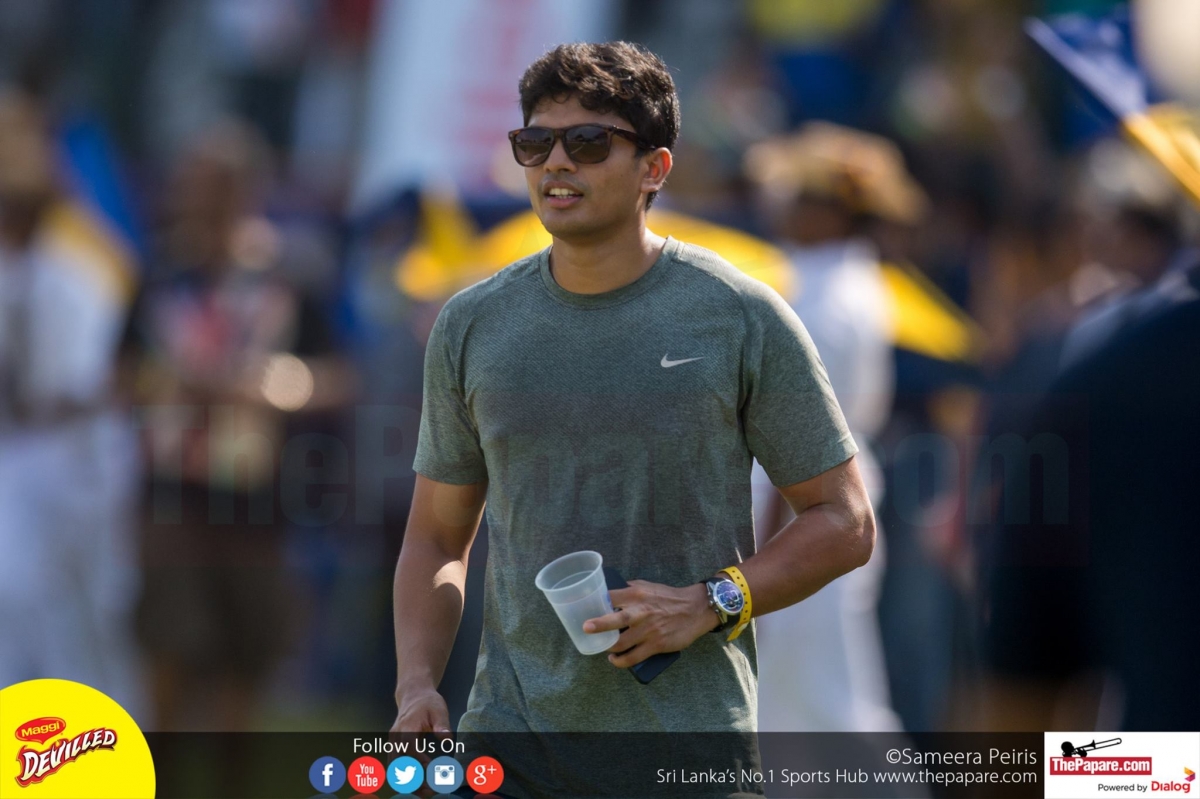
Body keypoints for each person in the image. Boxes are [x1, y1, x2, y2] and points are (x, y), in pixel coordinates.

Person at [391, 41, 875, 792]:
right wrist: (416, 684)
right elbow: (435, 536)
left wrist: (712, 601)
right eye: (535, 142)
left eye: (588, 142)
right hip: (510, 748)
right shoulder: (471, 324)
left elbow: (844, 519)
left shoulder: (741, 315)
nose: (556, 163)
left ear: (655, 168)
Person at [743, 122, 917, 732]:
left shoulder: (827, 301)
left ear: (829, 210)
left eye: (796, 194)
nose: (780, 205)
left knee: (830, 701)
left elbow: (804, 443)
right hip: (821, 508)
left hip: (811, 514)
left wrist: (762, 557)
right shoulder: (834, 282)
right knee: (794, 704)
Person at [0, 88, 143, 717]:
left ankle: (113, 743)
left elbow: (96, 372)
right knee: (14, 605)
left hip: (79, 449)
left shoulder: (83, 250)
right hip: (18, 448)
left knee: (90, 619)